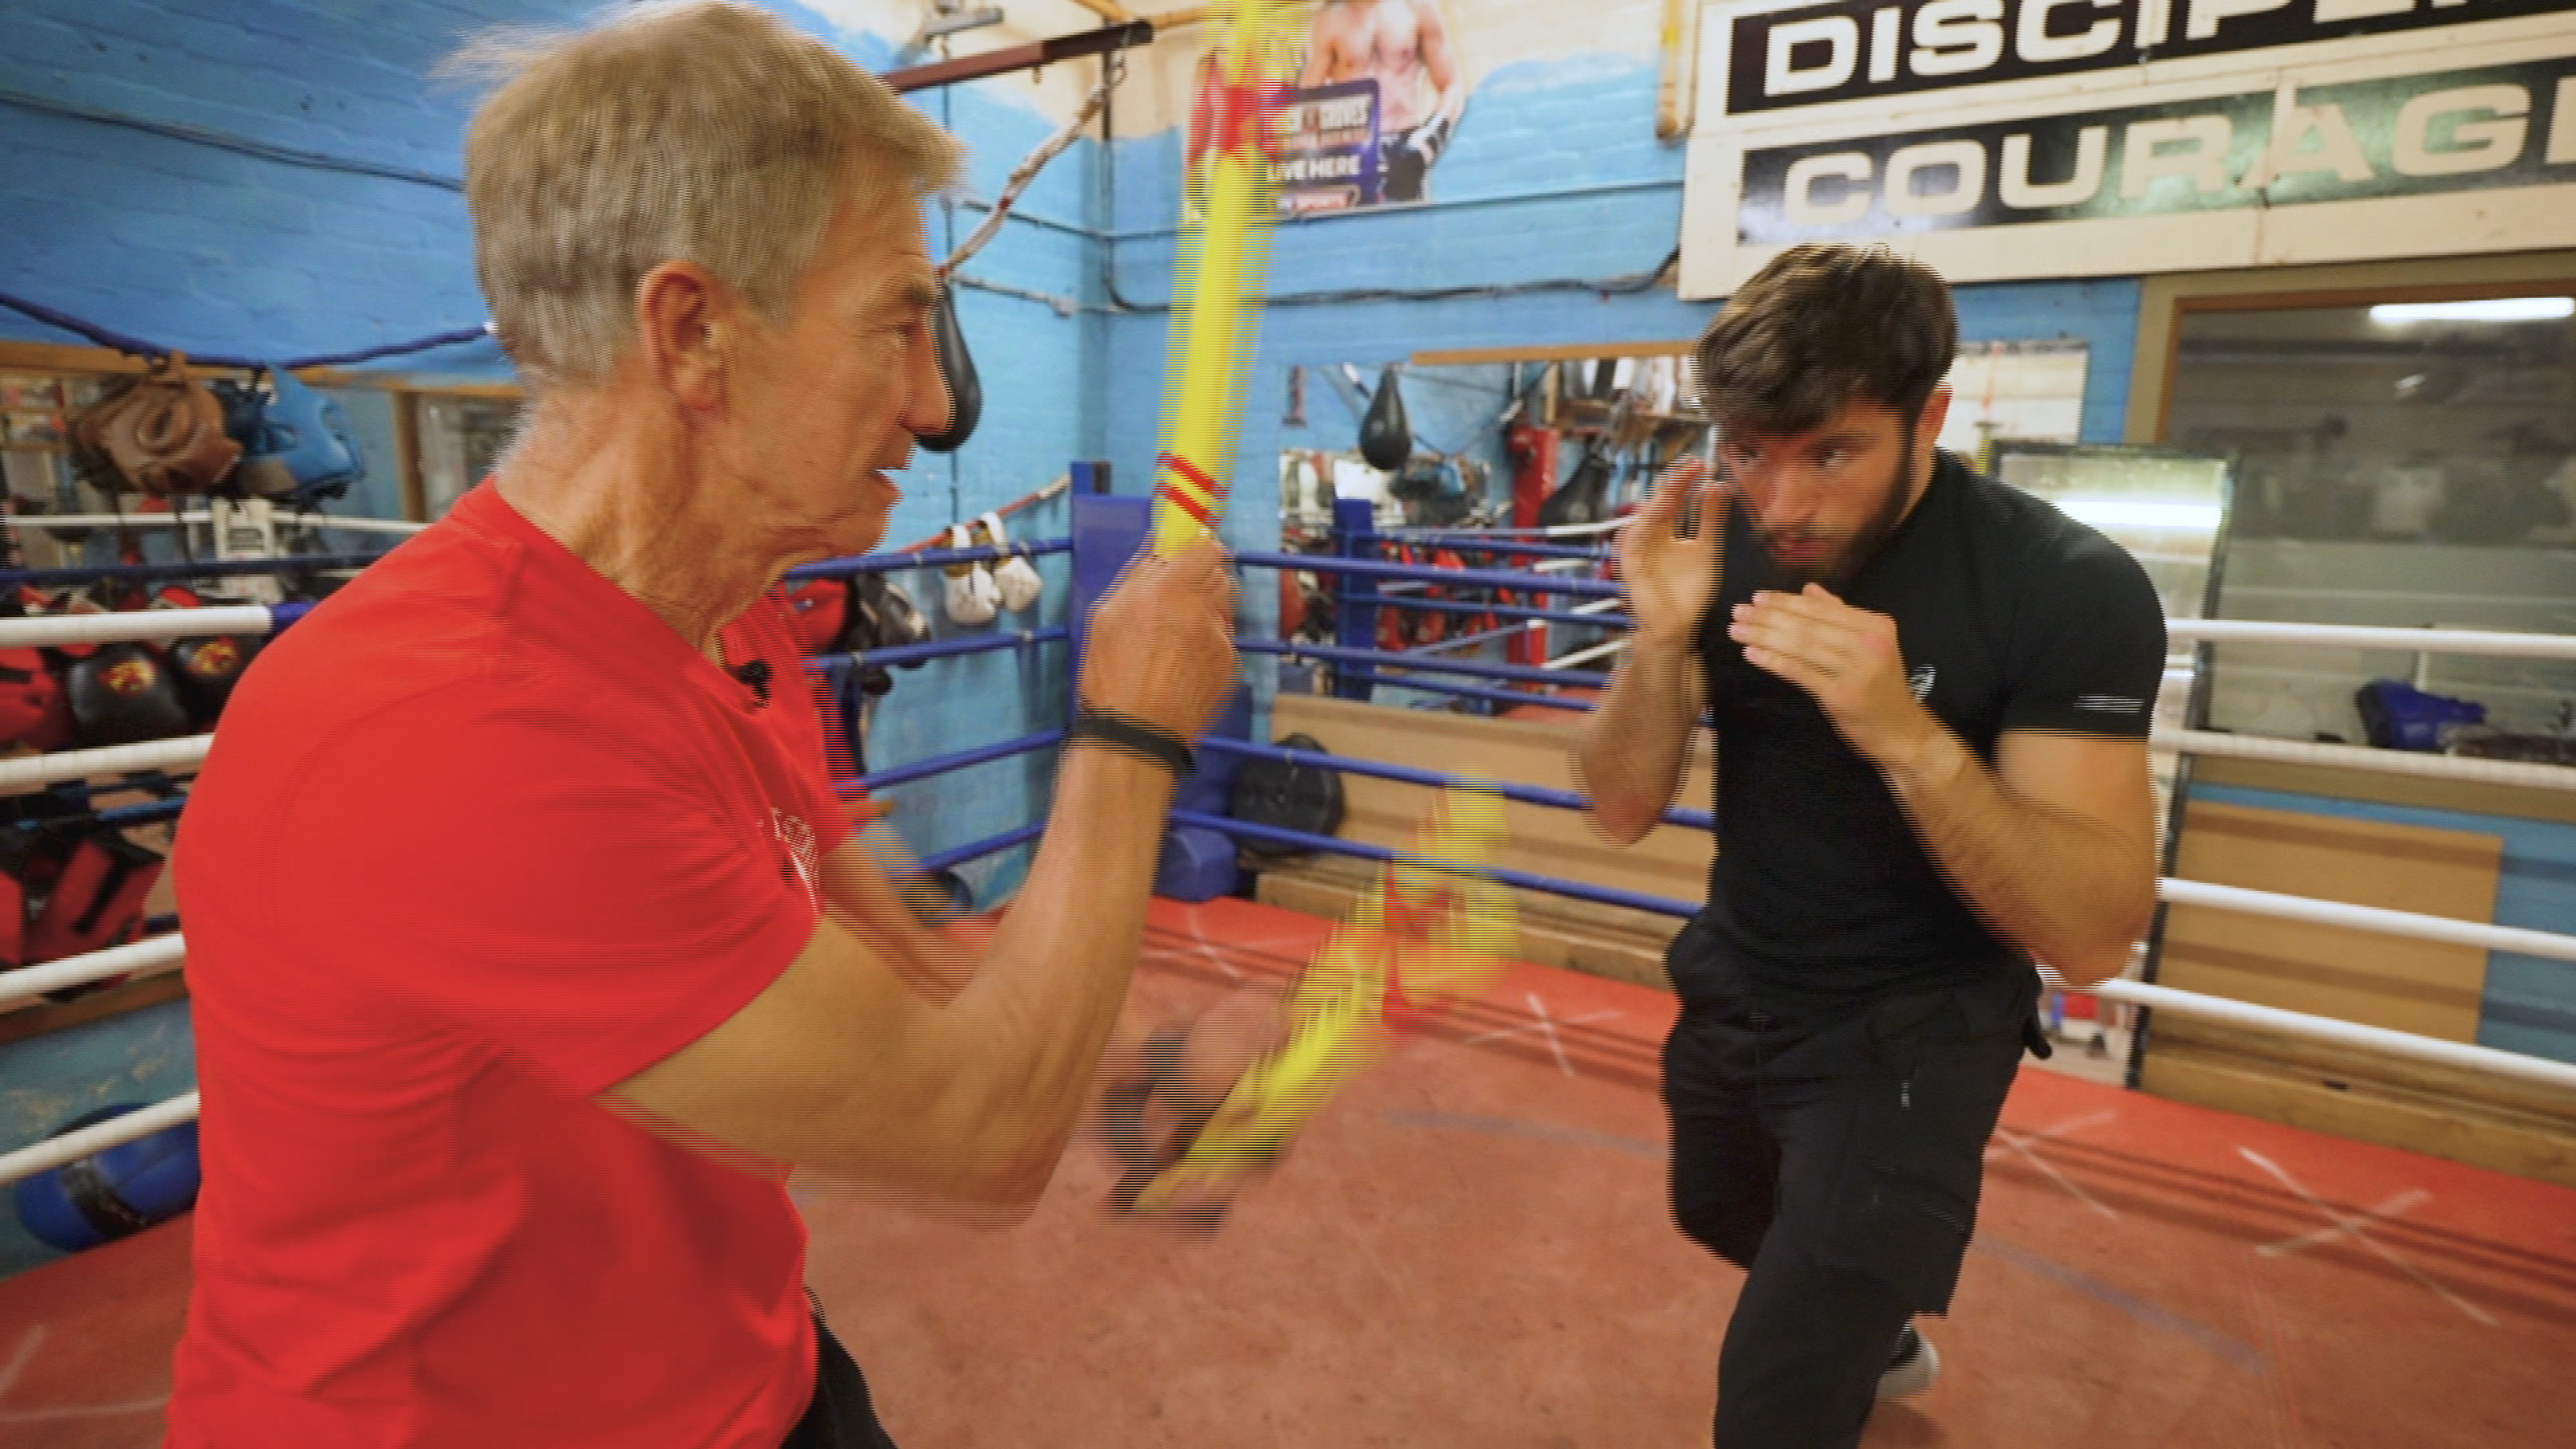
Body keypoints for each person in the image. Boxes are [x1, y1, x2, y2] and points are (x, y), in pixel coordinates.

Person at [166, 5, 1252, 1444]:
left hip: (750, 1376)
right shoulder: (446, 729)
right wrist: (1132, 738)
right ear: (692, 334)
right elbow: (979, 1138)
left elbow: (834, 876)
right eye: (897, 325)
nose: (935, 408)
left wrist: (1074, 1042)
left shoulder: (719, 609)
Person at [1574, 244, 2164, 1447]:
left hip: (1915, 1036)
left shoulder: (2058, 586)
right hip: (1742, 981)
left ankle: (1851, 1310)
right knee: (1720, 1210)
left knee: (1776, 1400)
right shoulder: (1725, 540)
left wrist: (1908, 736)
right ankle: (1874, 1313)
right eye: (1749, 452)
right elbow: (1619, 807)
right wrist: (1659, 644)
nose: (1784, 505)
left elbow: (2096, 932)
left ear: (1930, 417)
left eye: (1832, 453)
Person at [1299, 0, 1466, 204]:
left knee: (1411, 230)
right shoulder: (1330, 19)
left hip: (1407, 145)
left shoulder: (1418, 8)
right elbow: (1307, 102)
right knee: (1354, 231)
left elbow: (1452, 85)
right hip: (1353, 150)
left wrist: (1431, 137)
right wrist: (1314, 172)